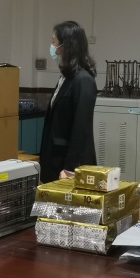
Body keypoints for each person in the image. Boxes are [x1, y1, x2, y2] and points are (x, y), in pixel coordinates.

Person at [39, 21, 97, 183]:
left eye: (54, 41)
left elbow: (81, 127)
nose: (52, 46)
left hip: (70, 164)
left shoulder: (83, 80)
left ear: (66, 45)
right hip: (54, 158)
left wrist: (70, 167)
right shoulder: (66, 77)